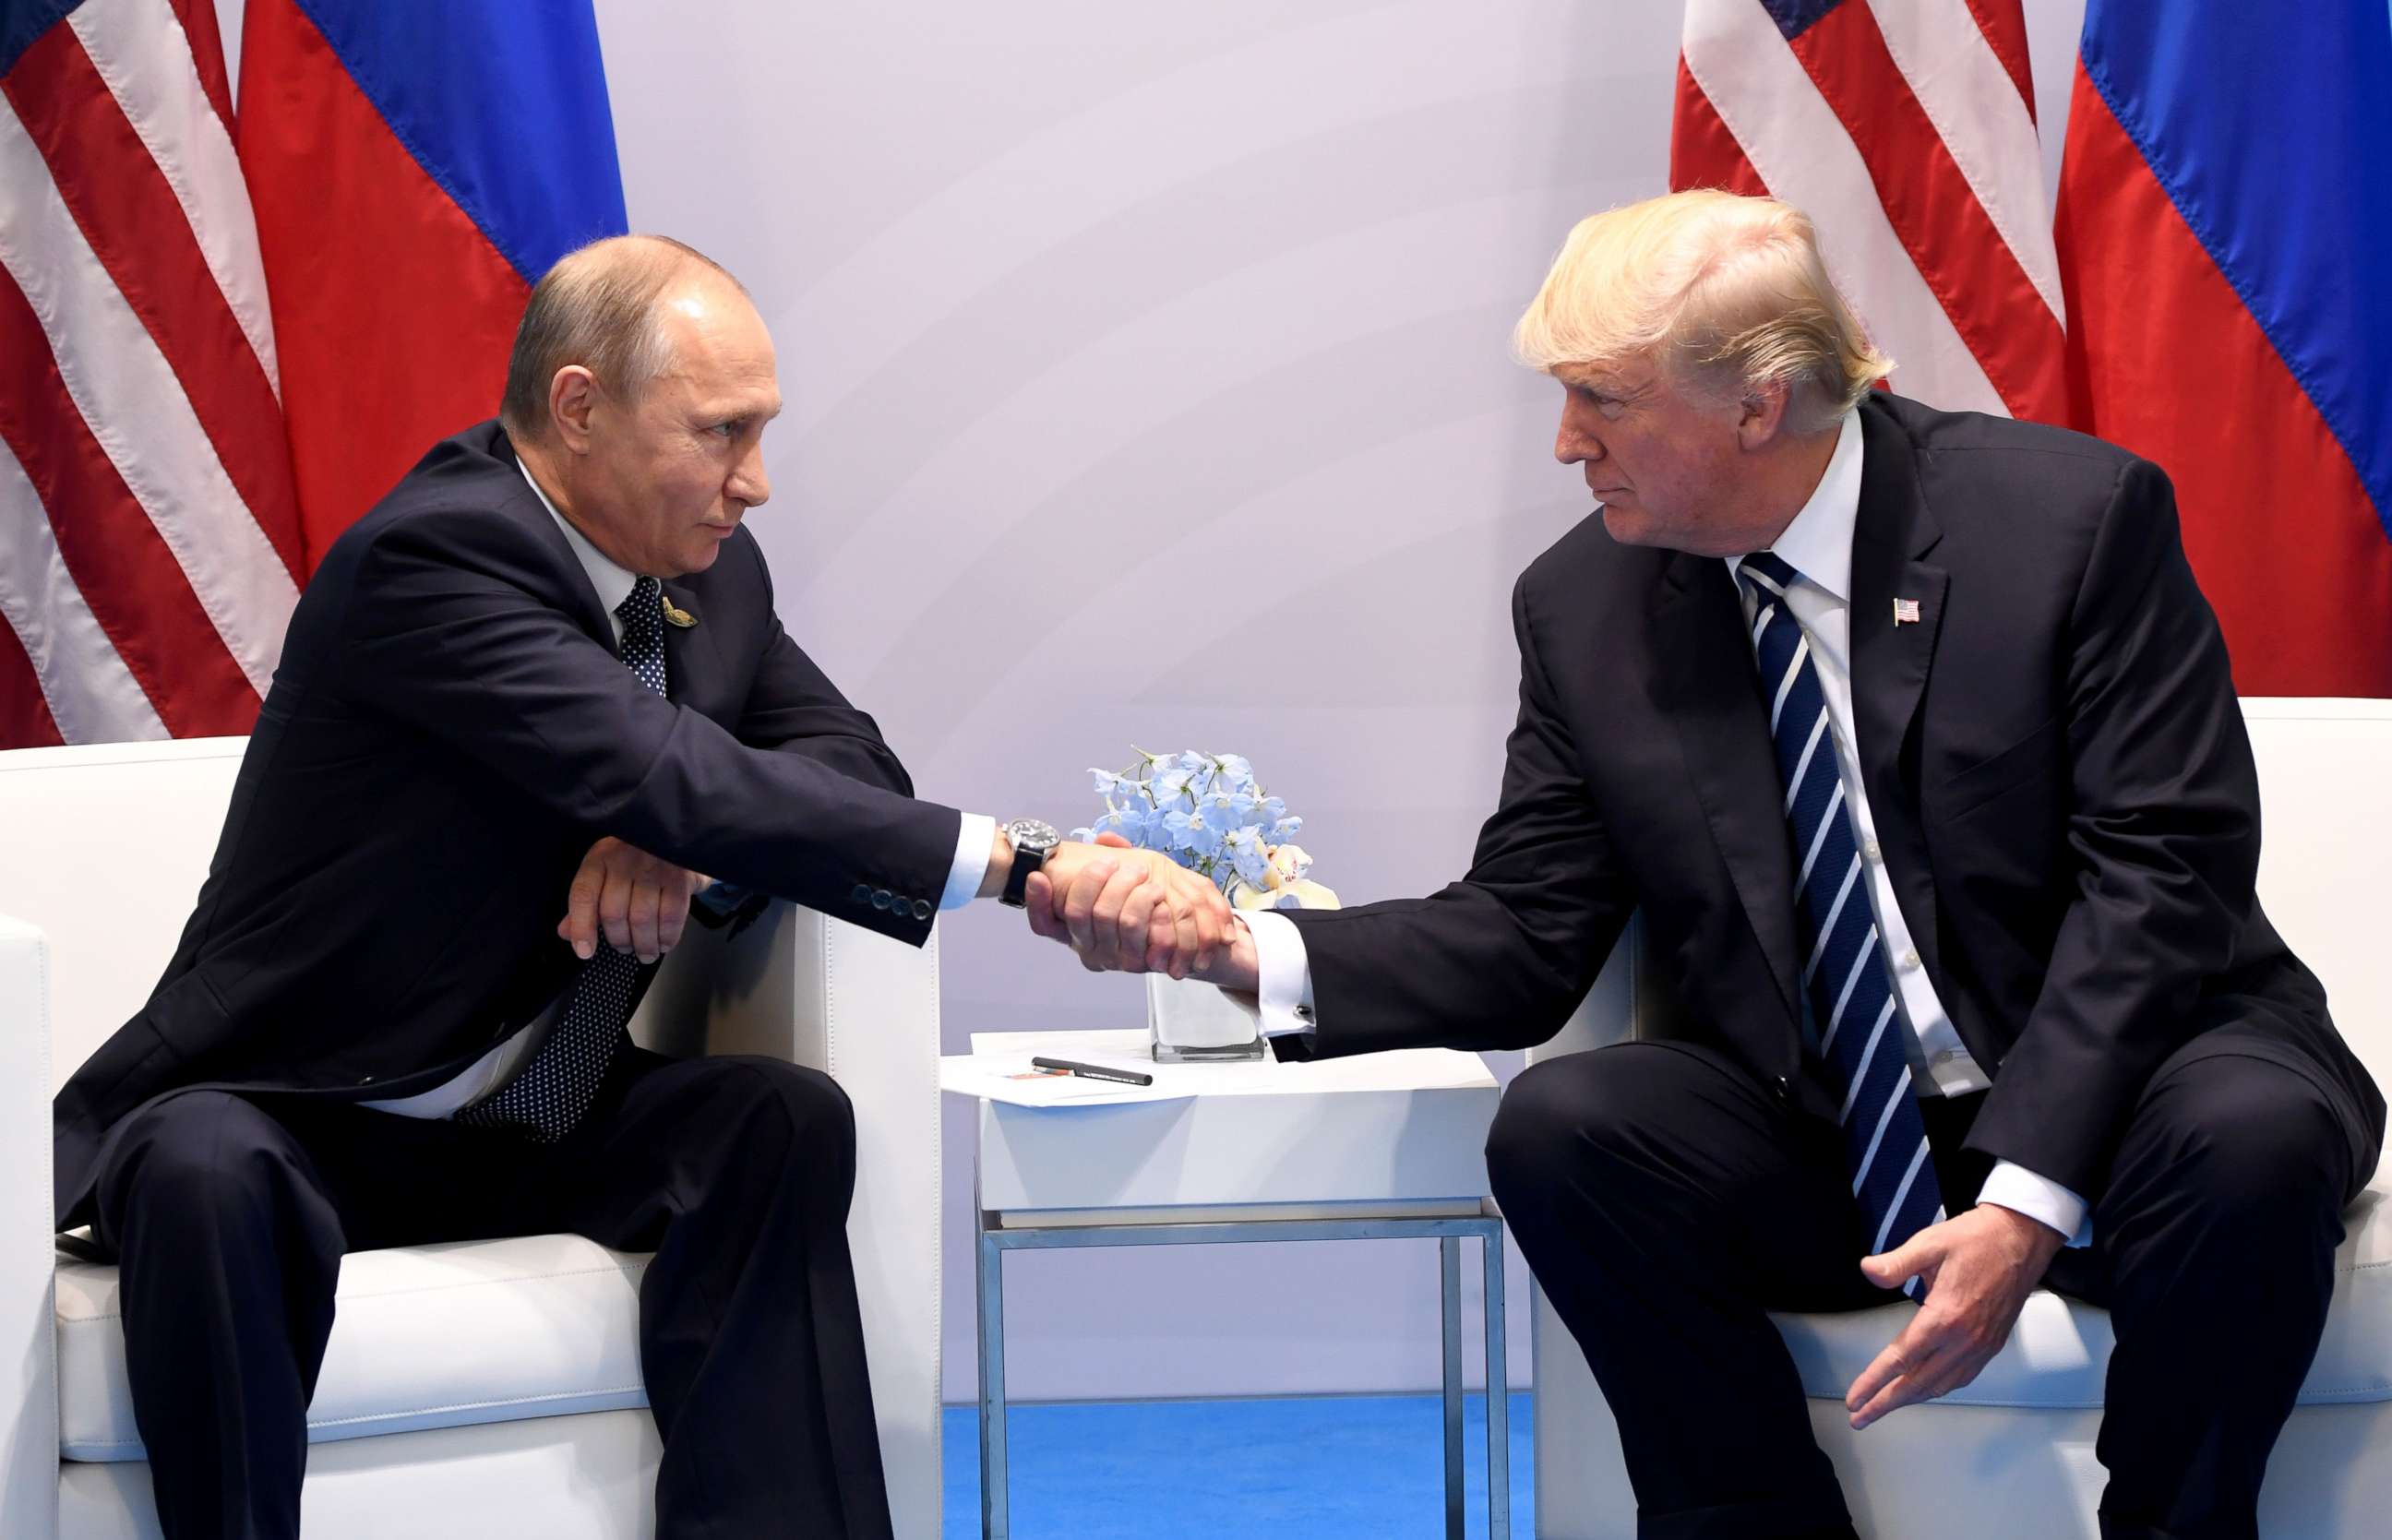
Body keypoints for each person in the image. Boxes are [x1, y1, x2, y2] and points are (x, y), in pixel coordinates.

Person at [1037, 191, 2385, 1540]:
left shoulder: (2069, 522)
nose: (1568, 444)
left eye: (1603, 402)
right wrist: (1239, 946)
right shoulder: (1588, 605)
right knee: (1574, 1129)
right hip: (1838, 1125)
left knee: (2249, 1139)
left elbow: (2158, 880)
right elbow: (1523, 929)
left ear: (1761, 402)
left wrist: (2030, 1190)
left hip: (2137, 1078)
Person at [51, 233, 1227, 1540]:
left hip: (533, 1119)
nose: (758, 483)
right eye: (722, 432)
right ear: (578, 407)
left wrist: (684, 835)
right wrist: (1031, 861)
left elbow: (844, 759)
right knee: (202, 1165)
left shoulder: (708, 577)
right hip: (301, 1105)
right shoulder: (437, 555)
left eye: (763, 432)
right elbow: (656, 761)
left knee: (775, 1120)